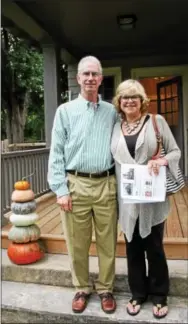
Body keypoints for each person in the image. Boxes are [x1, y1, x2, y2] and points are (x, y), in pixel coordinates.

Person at [48, 56, 118, 314]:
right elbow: (56, 153)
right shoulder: (65, 112)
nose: (90, 78)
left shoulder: (112, 112)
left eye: (95, 74)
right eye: (85, 74)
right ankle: (81, 287)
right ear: (78, 79)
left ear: (101, 79)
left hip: (106, 184)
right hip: (75, 184)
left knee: (107, 240)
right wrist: (60, 189)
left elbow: (122, 145)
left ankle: (106, 288)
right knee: (76, 242)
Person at [111, 79, 181, 319]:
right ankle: (138, 293)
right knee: (132, 248)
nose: (129, 101)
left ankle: (160, 295)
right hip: (128, 199)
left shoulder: (156, 121)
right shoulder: (116, 126)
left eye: (134, 97)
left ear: (142, 101)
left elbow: (175, 151)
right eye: (124, 97)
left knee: (154, 248)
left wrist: (162, 161)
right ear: (119, 103)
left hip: (152, 198)